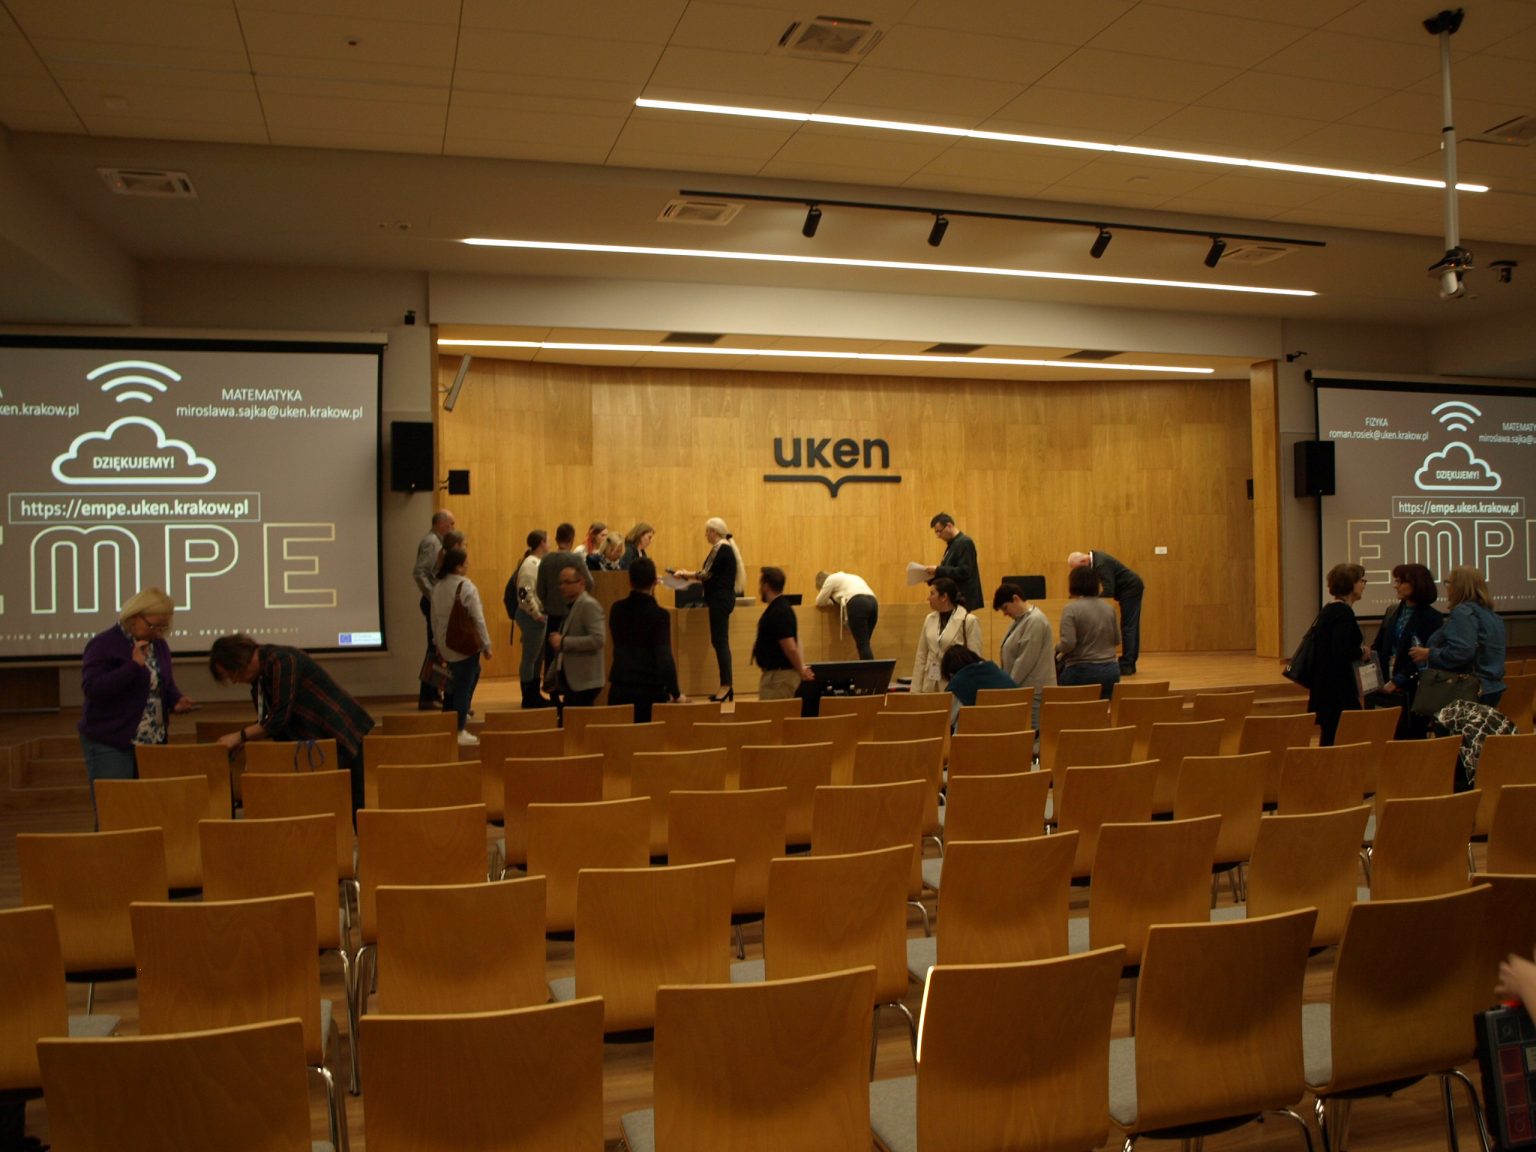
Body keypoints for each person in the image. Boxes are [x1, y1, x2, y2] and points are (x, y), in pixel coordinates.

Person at [210, 635, 375, 813]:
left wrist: (239, 736)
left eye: (232, 674)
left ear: (240, 662)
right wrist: (244, 740)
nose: (234, 681)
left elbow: (278, 719)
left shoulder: (282, 661)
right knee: (322, 806)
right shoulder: (260, 676)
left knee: (353, 807)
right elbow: (268, 719)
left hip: (340, 735)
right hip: (317, 744)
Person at [77, 588, 196, 827]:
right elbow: (93, 689)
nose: (158, 632)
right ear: (133, 617)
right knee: (115, 812)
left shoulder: (158, 645)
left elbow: (162, 682)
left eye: (163, 627)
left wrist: (175, 699)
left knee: (149, 810)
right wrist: (132, 667)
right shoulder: (103, 644)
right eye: (153, 625)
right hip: (113, 740)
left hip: (153, 741)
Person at [1410, 565, 1507, 708]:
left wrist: (1429, 654)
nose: (1447, 588)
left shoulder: (1462, 612)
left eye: (1448, 583)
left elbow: (1461, 651)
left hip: (1468, 690)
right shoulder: (1491, 615)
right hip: (1492, 688)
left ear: (1458, 587)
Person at [673, 517, 744, 703]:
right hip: (722, 599)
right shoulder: (725, 547)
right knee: (720, 642)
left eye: (707, 531)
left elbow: (705, 574)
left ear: (714, 531)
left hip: (720, 600)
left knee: (720, 642)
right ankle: (726, 685)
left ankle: (726, 685)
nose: (706, 535)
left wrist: (685, 574)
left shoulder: (720, 548)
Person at [607, 557, 686, 722]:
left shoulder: (616, 609)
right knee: (648, 737)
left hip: (620, 686)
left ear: (630, 582)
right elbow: (664, 657)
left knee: (618, 736)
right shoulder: (660, 615)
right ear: (655, 582)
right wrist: (676, 693)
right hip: (650, 691)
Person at [1369, 562, 1442, 737]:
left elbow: (1423, 656)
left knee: (1410, 737)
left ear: (1416, 584)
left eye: (1400, 582)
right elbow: (1379, 646)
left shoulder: (1432, 617)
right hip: (1384, 685)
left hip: (1413, 689)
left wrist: (1398, 681)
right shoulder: (1392, 611)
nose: (1396, 586)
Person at [431, 547, 491, 746]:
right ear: (458, 567)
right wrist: (486, 645)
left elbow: (434, 619)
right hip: (464, 646)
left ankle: (448, 720)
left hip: (445, 644)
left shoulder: (438, 587)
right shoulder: (466, 587)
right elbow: (478, 619)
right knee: (463, 687)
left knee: (453, 683)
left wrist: (437, 643)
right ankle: (459, 729)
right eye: (465, 563)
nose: (468, 565)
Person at [1308, 562, 1368, 746]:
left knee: (1330, 738)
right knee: (1341, 739)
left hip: (1326, 688)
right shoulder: (1342, 612)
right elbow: (1340, 651)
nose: (1364, 584)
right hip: (1337, 690)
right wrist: (1361, 652)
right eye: (1361, 580)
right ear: (1350, 583)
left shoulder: (1330, 609)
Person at [1068, 549, 1144, 674]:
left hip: (1131, 589)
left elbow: (1109, 590)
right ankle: (1129, 662)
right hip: (1126, 589)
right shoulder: (1095, 561)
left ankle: (1127, 665)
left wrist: (1089, 601)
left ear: (1084, 561)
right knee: (1129, 626)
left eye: (1078, 568)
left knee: (1129, 627)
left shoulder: (1100, 564)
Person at [993, 582, 1055, 731]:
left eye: (1005, 608)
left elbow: (1025, 660)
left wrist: (1009, 686)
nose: (1005, 613)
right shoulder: (1020, 621)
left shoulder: (1035, 620)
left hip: (1035, 691)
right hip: (1025, 689)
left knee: (1034, 734)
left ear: (1016, 599)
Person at [1056, 563, 1121, 700]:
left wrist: (1057, 648)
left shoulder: (1071, 609)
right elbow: (1117, 640)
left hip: (1081, 671)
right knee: (1102, 708)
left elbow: (1068, 644)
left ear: (1073, 585)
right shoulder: (1109, 608)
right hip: (1111, 670)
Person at [535, 523, 593, 674]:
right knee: (571, 654)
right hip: (572, 615)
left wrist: (548, 602)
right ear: (572, 539)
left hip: (552, 615)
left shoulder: (546, 560)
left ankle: (551, 685)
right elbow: (590, 583)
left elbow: (539, 590)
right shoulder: (576, 559)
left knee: (551, 656)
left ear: (556, 539)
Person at [548, 562, 606, 711]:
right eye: (560, 583)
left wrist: (563, 641)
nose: (562, 586)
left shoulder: (588, 605)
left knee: (574, 722)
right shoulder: (574, 605)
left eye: (567, 582)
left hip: (585, 681)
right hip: (575, 680)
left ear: (581, 583)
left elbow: (598, 639)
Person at [504, 529, 552, 710]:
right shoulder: (531, 564)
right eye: (548, 541)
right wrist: (536, 613)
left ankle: (534, 693)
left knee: (536, 658)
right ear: (542, 543)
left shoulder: (535, 562)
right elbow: (524, 593)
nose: (550, 544)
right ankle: (528, 696)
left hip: (536, 617)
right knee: (530, 658)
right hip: (531, 617)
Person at [412, 508, 455, 709]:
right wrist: (435, 597)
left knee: (437, 648)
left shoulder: (438, 542)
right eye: (451, 523)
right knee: (435, 648)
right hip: (432, 603)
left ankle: (434, 693)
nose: (453, 527)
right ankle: (428, 696)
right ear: (440, 524)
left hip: (435, 602)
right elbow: (420, 572)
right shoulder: (432, 542)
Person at [911, 577, 984, 694]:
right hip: (929, 684)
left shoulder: (969, 620)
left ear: (944, 597)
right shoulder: (929, 619)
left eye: (932, 594)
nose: (928, 598)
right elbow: (921, 655)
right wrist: (915, 691)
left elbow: (975, 660)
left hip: (954, 684)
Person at [752, 566, 814, 701]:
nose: (760, 589)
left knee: (773, 713)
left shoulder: (779, 611)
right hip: (778, 676)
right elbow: (797, 640)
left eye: (761, 585)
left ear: (766, 586)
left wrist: (801, 669)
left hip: (779, 678)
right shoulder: (781, 608)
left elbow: (790, 647)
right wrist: (801, 666)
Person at [941, 645, 1017, 729]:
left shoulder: (957, 685)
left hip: (983, 734)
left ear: (951, 674)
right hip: (1016, 731)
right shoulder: (998, 672)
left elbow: (945, 721)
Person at [814, 570, 879, 660]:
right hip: (873, 603)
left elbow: (819, 601)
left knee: (863, 645)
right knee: (865, 645)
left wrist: (830, 600)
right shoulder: (851, 577)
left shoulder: (830, 579)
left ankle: (870, 669)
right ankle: (869, 668)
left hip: (858, 603)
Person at [925, 512, 983, 611]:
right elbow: (949, 572)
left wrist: (938, 570)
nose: (938, 535)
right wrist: (930, 577)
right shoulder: (952, 544)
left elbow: (964, 571)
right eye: (936, 532)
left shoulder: (965, 542)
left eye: (939, 531)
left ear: (949, 526)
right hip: (954, 598)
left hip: (962, 598)